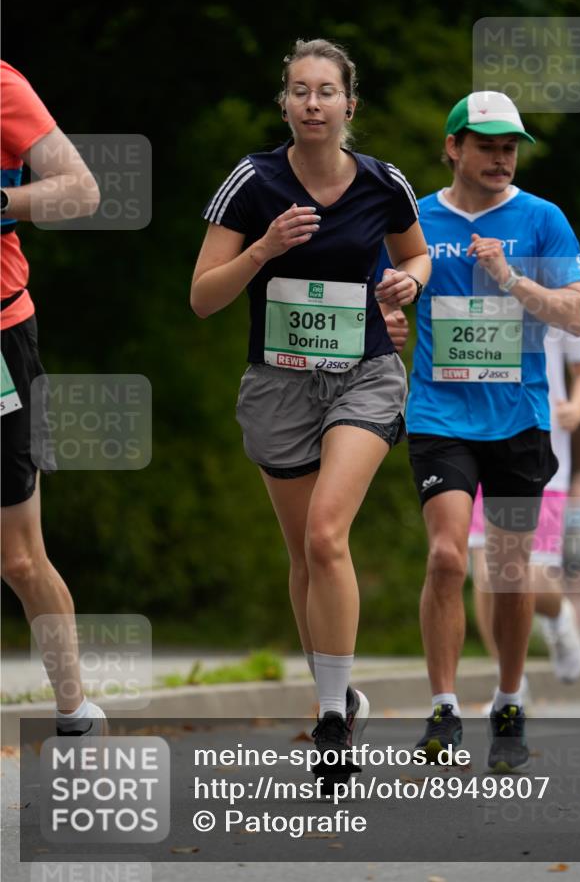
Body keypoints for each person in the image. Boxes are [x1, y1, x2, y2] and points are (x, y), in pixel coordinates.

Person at [191, 39, 430, 773]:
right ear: (284, 105)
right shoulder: (253, 183)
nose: (313, 103)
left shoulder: (384, 184)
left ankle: (330, 721)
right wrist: (262, 249)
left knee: (327, 535)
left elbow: (415, 254)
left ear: (348, 105)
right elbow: (203, 298)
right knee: (302, 555)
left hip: (363, 373)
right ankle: (338, 694)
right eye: (299, 91)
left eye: (326, 91)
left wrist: (408, 285)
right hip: (279, 385)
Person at [405, 91, 580, 771]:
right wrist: (390, 314)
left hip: (520, 420)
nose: (499, 158)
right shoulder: (416, 218)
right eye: (484, 145)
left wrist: (511, 279)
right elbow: (381, 297)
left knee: (510, 571)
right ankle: (444, 708)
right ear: (452, 147)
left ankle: (509, 699)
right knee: (448, 558)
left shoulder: (541, 220)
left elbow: (575, 315)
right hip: (438, 415)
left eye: (508, 146)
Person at [0, 60, 106, 735]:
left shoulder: (3, 87)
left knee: (17, 556)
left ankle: (74, 710)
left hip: (0, 336)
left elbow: (81, 190)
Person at [471, 327, 580, 690]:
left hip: (543, 455)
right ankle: (509, 684)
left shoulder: (554, 281)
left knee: (524, 575)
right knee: (486, 572)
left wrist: (578, 406)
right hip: (479, 438)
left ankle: (559, 615)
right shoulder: (470, 278)